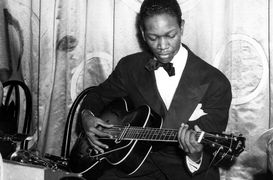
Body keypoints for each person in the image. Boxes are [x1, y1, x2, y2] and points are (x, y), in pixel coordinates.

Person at [79, 0, 232, 179]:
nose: (162, 45)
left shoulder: (216, 82)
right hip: (134, 163)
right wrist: (86, 116)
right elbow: (99, 95)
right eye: (153, 37)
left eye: (170, 35)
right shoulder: (130, 66)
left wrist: (194, 154)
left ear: (181, 27)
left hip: (188, 170)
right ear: (143, 34)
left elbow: (207, 148)